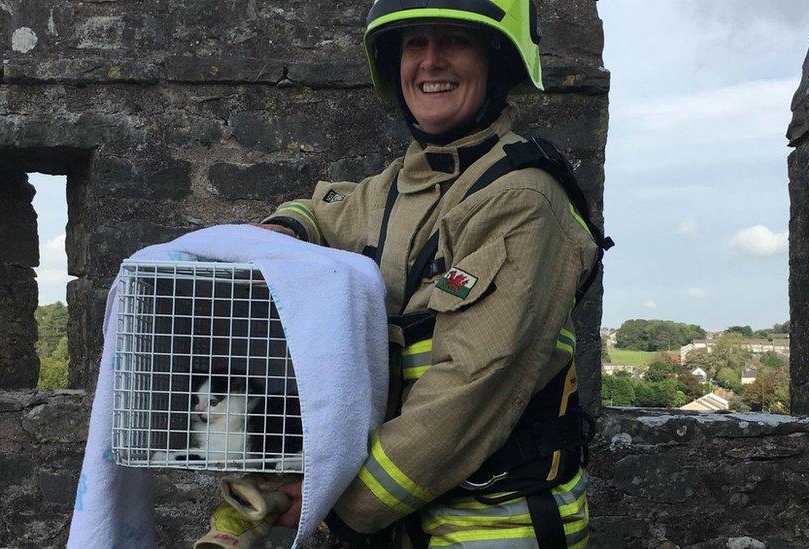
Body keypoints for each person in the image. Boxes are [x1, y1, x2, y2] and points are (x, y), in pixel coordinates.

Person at [256, 1, 605, 546]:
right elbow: (328, 210)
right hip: (404, 522)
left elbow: (474, 381)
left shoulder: (520, 196)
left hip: (492, 524)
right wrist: (284, 228)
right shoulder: (400, 185)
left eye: (455, 42)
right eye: (415, 44)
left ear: (499, 61)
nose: (431, 61)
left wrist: (339, 503)